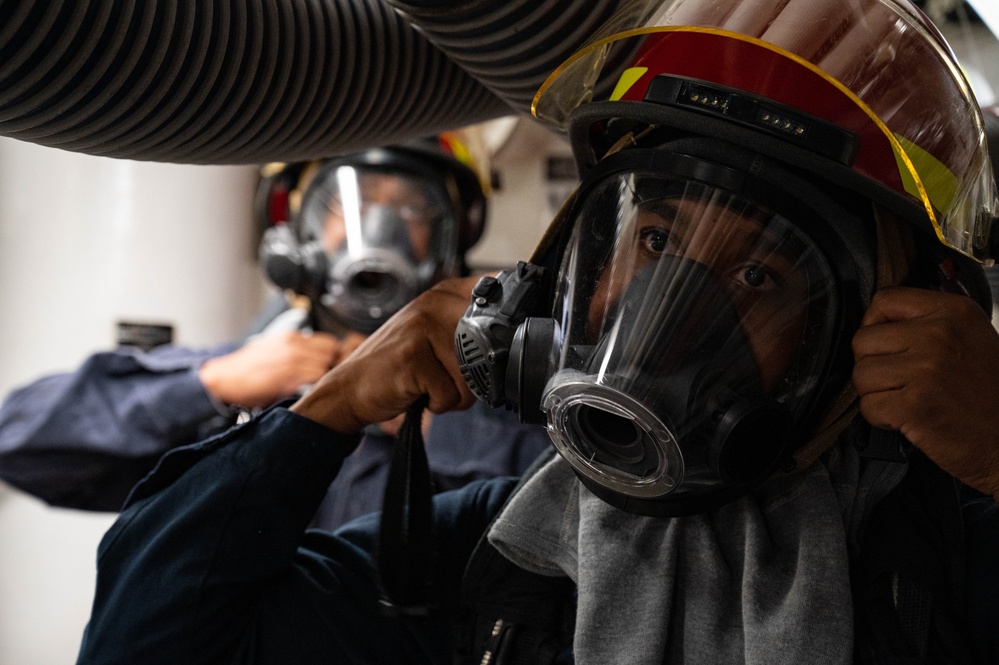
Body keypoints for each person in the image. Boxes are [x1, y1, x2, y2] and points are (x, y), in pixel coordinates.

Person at [76, 1, 999, 663]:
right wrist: (331, 406)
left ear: (885, 330)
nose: (672, 308)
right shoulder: (502, 549)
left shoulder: (947, 559)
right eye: (653, 237)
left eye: (759, 274)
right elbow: (148, 637)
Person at [0, 134, 550, 529]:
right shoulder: (246, 383)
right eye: (349, 203)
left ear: (452, 236)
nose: (381, 229)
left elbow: (578, 512)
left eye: (411, 206)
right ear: (297, 224)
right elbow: (22, 446)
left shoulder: (505, 391)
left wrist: (436, 430)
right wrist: (207, 384)